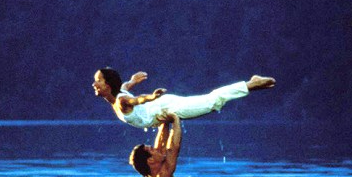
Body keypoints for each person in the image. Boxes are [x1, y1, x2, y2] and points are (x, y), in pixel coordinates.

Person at [93, 68, 275, 129]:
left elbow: (137, 100)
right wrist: (134, 80)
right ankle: (249, 85)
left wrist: (151, 97)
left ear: (108, 85)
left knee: (210, 102)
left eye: (98, 81)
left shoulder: (121, 102)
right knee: (209, 101)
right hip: (162, 107)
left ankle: (250, 84)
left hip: (165, 108)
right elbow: (126, 86)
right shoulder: (121, 93)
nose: (94, 84)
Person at [129, 112, 196, 177]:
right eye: (152, 149)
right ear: (150, 160)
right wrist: (175, 120)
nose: (157, 149)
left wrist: (164, 121)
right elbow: (174, 148)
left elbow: (161, 143)